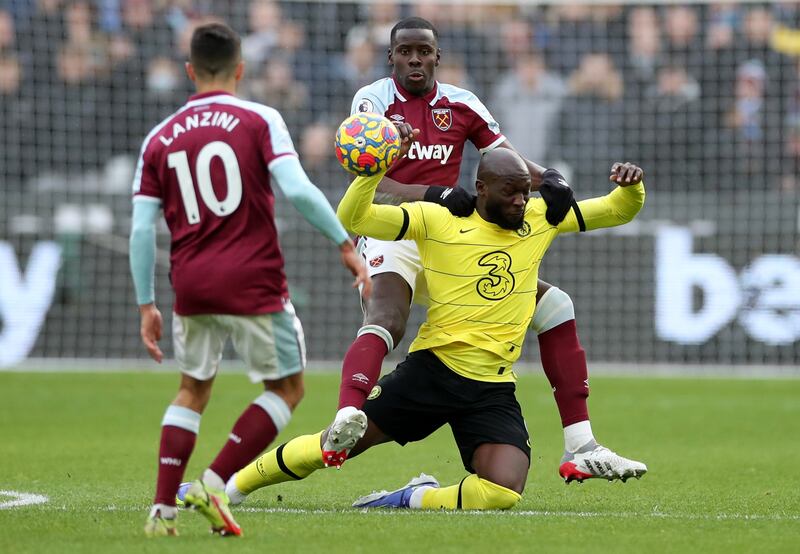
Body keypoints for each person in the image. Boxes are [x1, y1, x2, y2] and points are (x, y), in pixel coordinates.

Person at [225, 150, 647, 515]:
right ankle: (232, 486)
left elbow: (617, 210)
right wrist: (371, 173)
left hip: (491, 388)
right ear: (481, 188)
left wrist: (631, 186)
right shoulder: (436, 219)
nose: (521, 201)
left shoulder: (538, 218)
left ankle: (412, 498)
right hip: (432, 373)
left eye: (525, 191)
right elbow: (353, 217)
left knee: (503, 491)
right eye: (511, 192)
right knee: (333, 448)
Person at [323, 16, 645, 484]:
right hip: (393, 230)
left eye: (424, 51)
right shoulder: (372, 102)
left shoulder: (461, 103)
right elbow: (373, 182)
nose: (415, 58)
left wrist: (551, 178)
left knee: (555, 305)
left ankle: (581, 445)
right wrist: (433, 193)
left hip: (446, 239)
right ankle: (347, 413)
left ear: (438, 55)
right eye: (405, 51)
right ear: (391, 56)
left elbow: (506, 159)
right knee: (387, 317)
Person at [129, 22, 370, 538]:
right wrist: (345, 245)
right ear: (240, 69)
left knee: (192, 389)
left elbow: (140, 228)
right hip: (253, 280)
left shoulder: (160, 136)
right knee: (287, 387)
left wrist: (146, 303)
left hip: (190, 284)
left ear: (191, 71)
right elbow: (299, 191)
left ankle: (161, 512)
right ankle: (214, 483)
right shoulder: (260, 119)